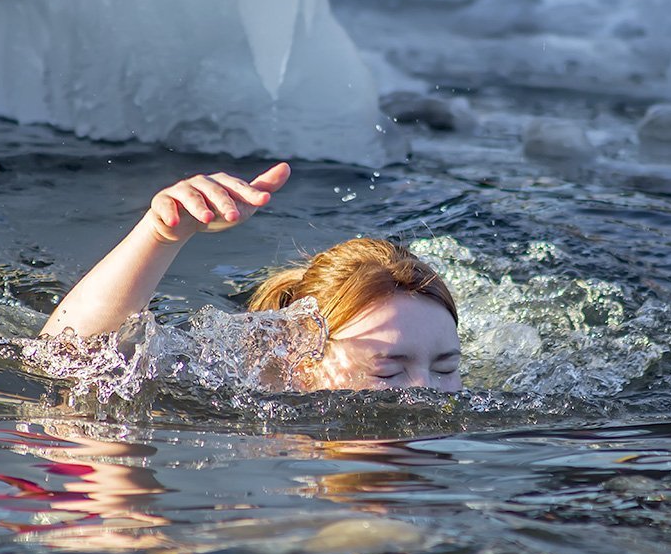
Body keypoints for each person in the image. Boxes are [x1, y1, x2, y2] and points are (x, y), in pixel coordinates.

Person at [41, 163, 462, 391]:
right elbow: (67, 357)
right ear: (300, 360)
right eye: (387, 372)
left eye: (446, 369)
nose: (427, 391)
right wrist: (159, 236)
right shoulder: (236, 388)